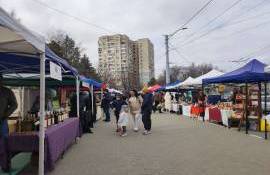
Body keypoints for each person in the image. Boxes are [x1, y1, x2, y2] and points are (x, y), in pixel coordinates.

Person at [0, 74, 18, 172]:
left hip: (2, 122)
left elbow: (14, 104)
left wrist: (5, 114)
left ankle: (6, 166)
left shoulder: (7, 92)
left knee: (5, 144)